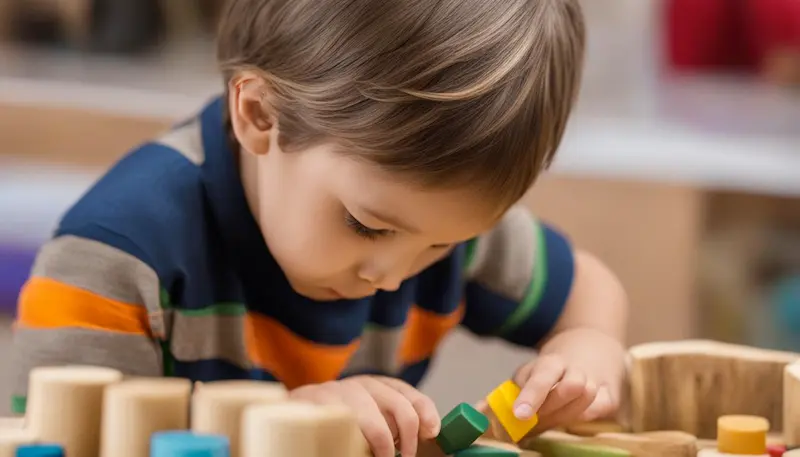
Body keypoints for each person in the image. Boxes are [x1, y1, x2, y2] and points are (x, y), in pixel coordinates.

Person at [9, 0, 629, 456]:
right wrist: (280, 429)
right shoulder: (115, 254)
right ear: (258, 115)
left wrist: (589, 352)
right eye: (365, 226)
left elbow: (589, 292)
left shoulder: (426, 218)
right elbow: (54, 442)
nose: (390, 277)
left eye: (441, 244)